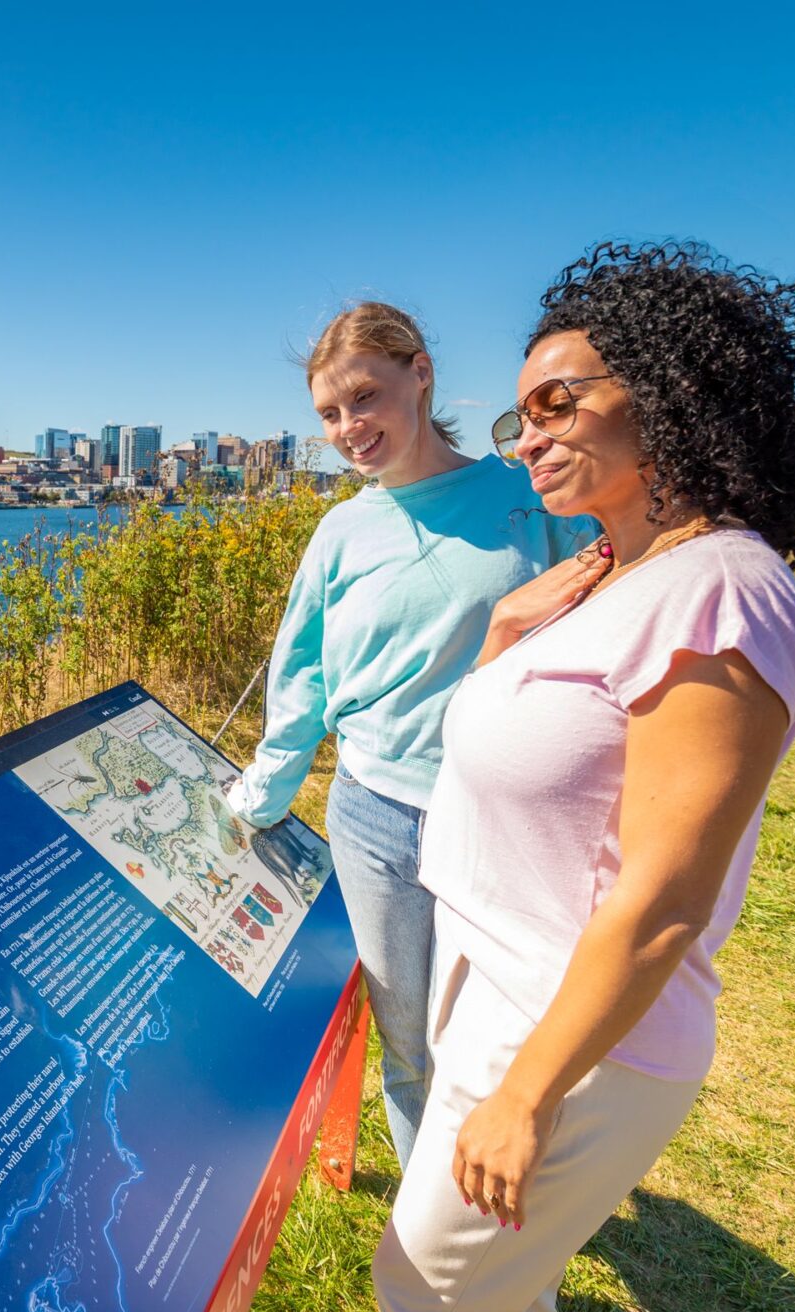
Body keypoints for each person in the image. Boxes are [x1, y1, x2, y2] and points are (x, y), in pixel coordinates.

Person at [372, 240, 795, 1312]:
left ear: (671, 396)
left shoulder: (720, 592)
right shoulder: (613, 578)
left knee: (426, 1296)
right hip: (494, 985)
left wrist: (526, 1094)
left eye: (557, 401)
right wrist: (499, 628)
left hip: (572, 1035)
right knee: (502, 1290)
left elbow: (665, 898)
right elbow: (524, 750)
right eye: (517, 415)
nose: (525, 436)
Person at [224, 301, 593, 1170]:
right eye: (329, 414)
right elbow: (302, 677)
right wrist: (262, 794)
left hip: (505, 819)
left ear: (419, 373)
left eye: (365, 396)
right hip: (375, 820)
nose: (350, 428)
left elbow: (599, 610)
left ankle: (512, 1195)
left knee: (504, 1031)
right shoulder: (340, 531)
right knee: (410, 1041)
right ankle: (431, 1213)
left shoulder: (522, 494)